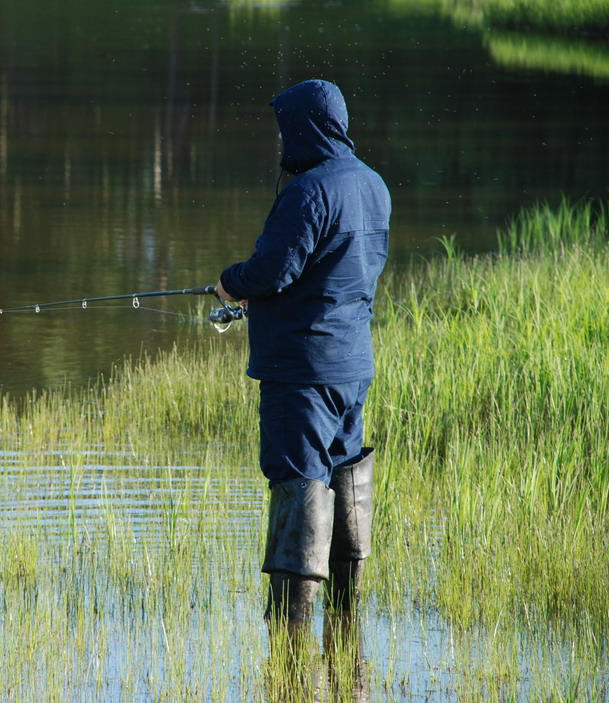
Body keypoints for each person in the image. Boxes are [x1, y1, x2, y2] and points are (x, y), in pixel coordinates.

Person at [216, 79, 390, 631]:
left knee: (298, 484)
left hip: (301, 372)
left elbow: (271, 272)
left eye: (285, 129)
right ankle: (345, 622)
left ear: (306, 127)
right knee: (345, 476)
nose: (280, 142)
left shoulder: (308, 191)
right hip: (352, 366)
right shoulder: (373, 184)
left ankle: (289, 636)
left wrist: (229, 283)